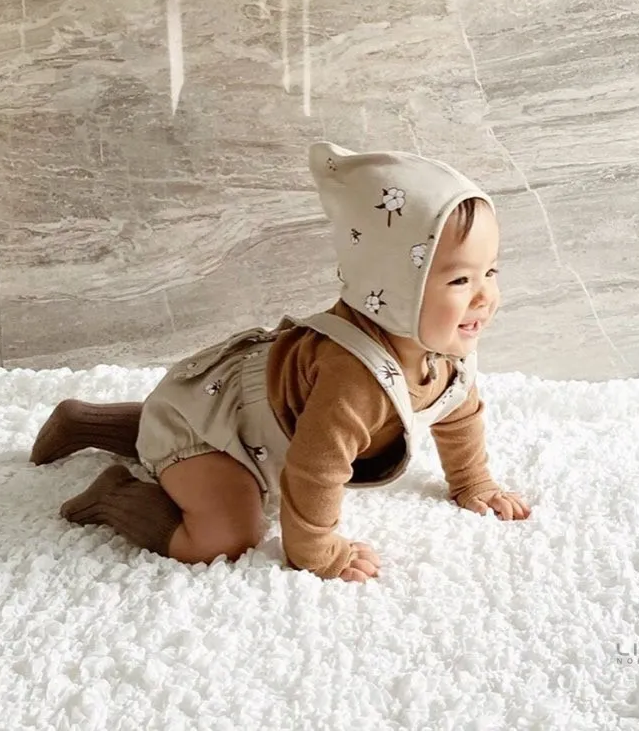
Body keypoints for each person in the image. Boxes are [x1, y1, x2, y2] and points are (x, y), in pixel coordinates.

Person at [30, 141, 531, 583]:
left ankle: (86, 421)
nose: (484, 296)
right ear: (395, 287)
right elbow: (314, 471)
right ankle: (115, 494)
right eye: (460, 281)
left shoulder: (443, 349)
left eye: (490, 271)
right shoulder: (354, 380)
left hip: (219, 415)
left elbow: (458, 412)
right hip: (214, 436)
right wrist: (318, 552)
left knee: (183, 428)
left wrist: (472, 481)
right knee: (226, 535)